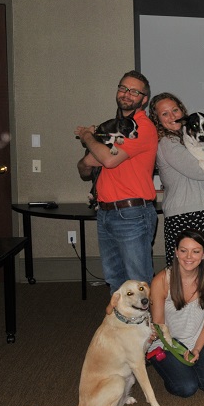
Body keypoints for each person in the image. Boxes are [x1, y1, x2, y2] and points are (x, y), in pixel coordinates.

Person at [75, 70, 158, 293]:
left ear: (144, 99)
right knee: (116, 282)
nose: (126, 94)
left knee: (138, 285)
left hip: (132, 214)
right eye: (123, 88)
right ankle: (124, 329)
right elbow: (84, 168)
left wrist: (86, 137)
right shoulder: (114, 127)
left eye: (134, 91)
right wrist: (94, 153)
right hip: (105, 213)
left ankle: (147, 328)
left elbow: (107, 161)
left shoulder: (142, 127)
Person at [148, 93, 204, 266]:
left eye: (175, 110)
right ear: (157, 120)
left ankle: (201, 294)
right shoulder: (168, 143)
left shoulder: (185, 139)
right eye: (165, 114)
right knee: (185, 270)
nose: (172, 116)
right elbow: (200, 172)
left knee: (201, 267)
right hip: (186, 214)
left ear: (182, 111)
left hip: (200, 209)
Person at [147, 229, 204, 398]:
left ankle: (183, 367)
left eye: (196, 251)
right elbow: (159, 325)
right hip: (167, 342)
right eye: (183, 250)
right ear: (175, 252)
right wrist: (177, 352)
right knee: (187, 388)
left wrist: (197, 348)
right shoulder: (161, 280)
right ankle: (166, 364)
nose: (189, 257)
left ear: (203, 255)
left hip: (198, 339)